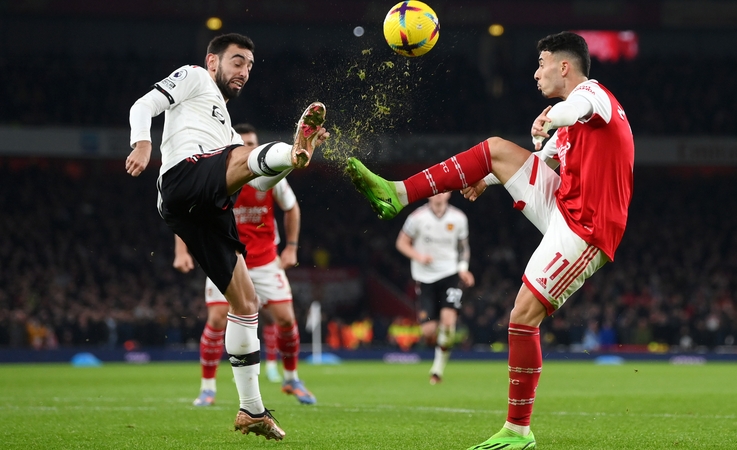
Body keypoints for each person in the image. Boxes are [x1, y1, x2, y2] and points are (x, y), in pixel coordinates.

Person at [346, 31, 634, 449]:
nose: (536, 74)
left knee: (521, 317)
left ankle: (518, 431)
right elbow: (538, 161)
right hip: (562, 203)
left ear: (564, 66)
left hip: (586, 228)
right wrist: (485, 176)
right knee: (496, 149)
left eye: (542, 64)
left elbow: (577, 107)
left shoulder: (594, 96)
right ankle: (399, 193)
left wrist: (550, 116)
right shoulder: (572, 127)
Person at [125, 32, 329, 441]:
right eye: (237, 61)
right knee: (241, 157)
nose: (244, 72)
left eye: (250, 66)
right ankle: (293, 145)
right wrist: (143, 142)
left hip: (206, 207)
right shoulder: (196, 77)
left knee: (246, 300)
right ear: (214, 61)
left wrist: (293, 161)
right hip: (183, 177)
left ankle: (251, 410)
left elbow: (261, 179)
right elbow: (143, 104)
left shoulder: (228, 132)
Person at [173, 123, 316, 408]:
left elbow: (292, 208)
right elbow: (186, 209)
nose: (250, 148)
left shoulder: (271, 174)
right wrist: (181, 251)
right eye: (244, 143)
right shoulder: (218, 174)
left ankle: (291, 379)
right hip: (225, 256)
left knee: (286, 319)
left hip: (264, 259)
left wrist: (290, 248)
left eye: (254, 143)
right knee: (216, 320)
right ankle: (207, 388)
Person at [395, 192, 474, 384]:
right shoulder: (416, 218)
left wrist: (463, 269)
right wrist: (418, 256)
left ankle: (437, 370)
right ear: (429, 194)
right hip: (425, 277)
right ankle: (442, 333)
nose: (439, 195)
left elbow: (463, 247)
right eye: (435, 191)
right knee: (428, 331)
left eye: (443, 190)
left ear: (449, 194)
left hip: (450, 274)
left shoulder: (459, 218)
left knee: (448, 323)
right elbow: (401, 243)